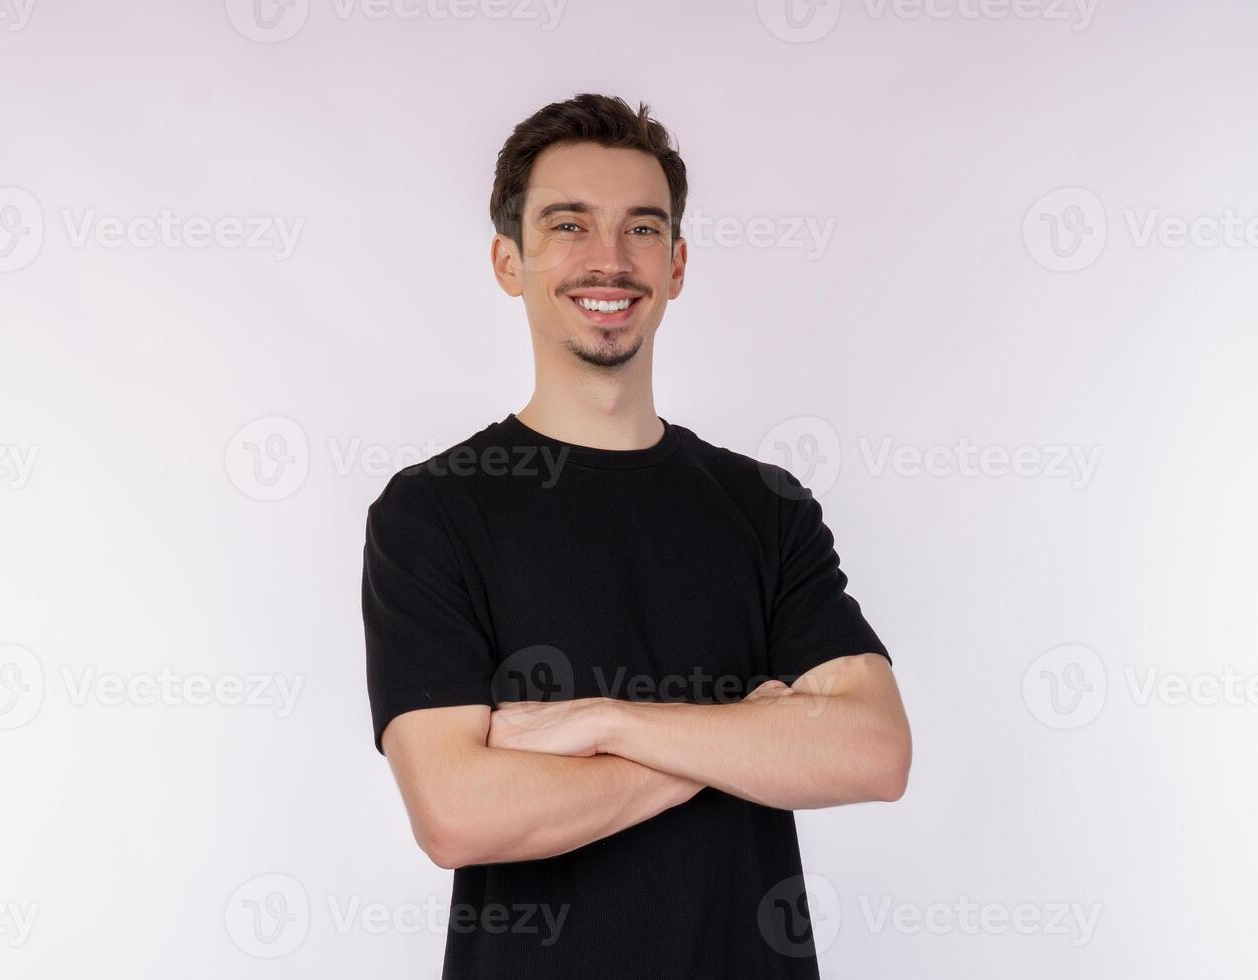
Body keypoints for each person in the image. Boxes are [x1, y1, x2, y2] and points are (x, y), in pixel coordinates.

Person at [361, 92, 911, 979]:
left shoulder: (765, 505)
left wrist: (604, 721)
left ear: (679, 263)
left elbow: (875, 753)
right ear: (510, 260)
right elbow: (457, 814)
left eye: (643, 229)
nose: (609, 260)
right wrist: (745, 736)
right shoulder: (431, 512)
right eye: (569, 225)